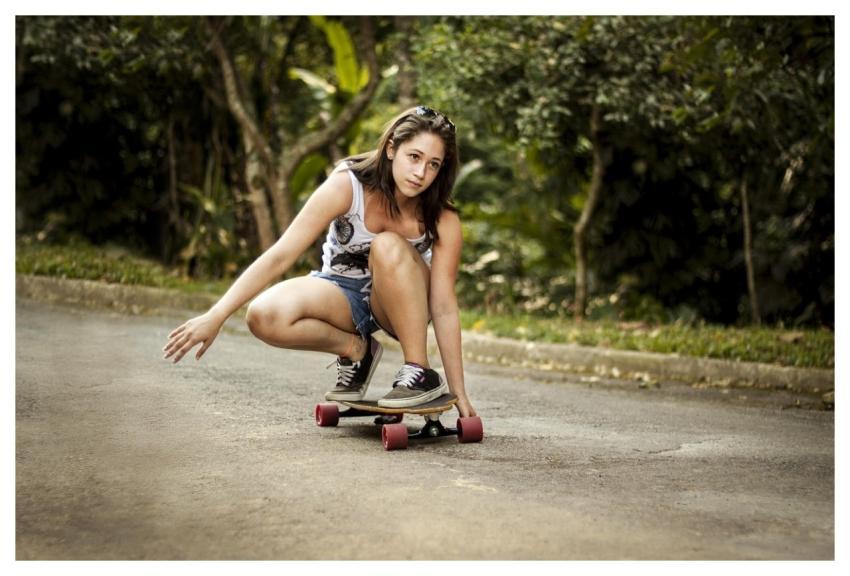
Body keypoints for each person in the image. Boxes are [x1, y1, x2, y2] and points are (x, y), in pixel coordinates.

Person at [163, 106, 477, 418]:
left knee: (387, 244)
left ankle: (417, 372)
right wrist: (217, 315)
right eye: (414, 157)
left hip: (403, 306)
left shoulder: (443, 218)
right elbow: (282, 254)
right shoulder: (348, 185)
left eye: (433, 164)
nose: (421, 173)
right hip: (343, 293)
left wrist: (458, 392)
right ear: (392, 148)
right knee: (263, 315)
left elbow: (443, 305)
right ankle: (357, 350)